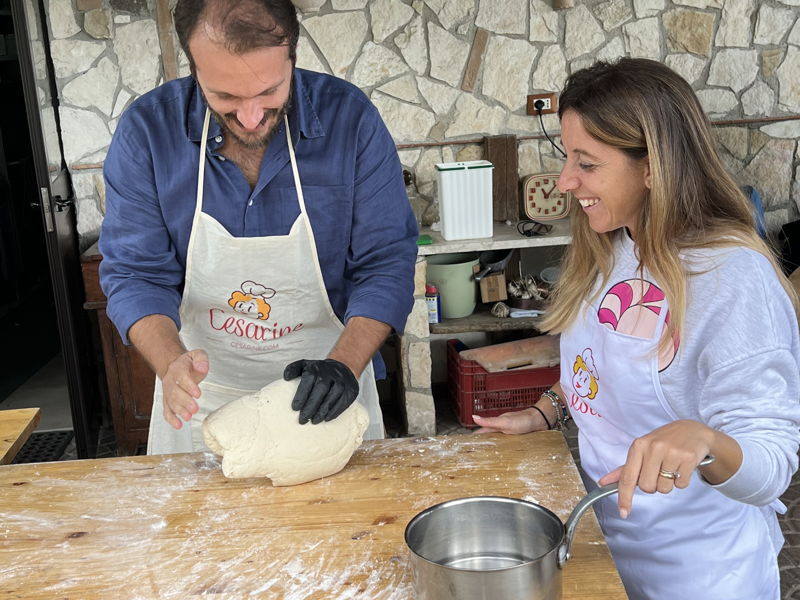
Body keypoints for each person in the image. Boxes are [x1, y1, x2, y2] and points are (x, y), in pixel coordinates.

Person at [473, 58, 800, 599]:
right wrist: (546, 411)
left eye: (587, 163)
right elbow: (600, 363)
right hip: (606, 545)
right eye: (566, 157)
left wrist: (704, 440)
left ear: (652, 167)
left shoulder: (732, 277)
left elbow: (770, 469)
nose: (565, 181)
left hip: (701, 574)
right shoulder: (614, 245)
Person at [98, 0, 418, 453]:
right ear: (194, 70)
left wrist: (344, 367)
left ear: (293, 58)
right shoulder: (148, 133)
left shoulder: (350, 122)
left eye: (269, 91)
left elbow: (385, 263)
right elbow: (135, 274)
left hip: (328, 390)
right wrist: (171, 365)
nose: (250, 117)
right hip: (202, 402)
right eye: (225, 96)